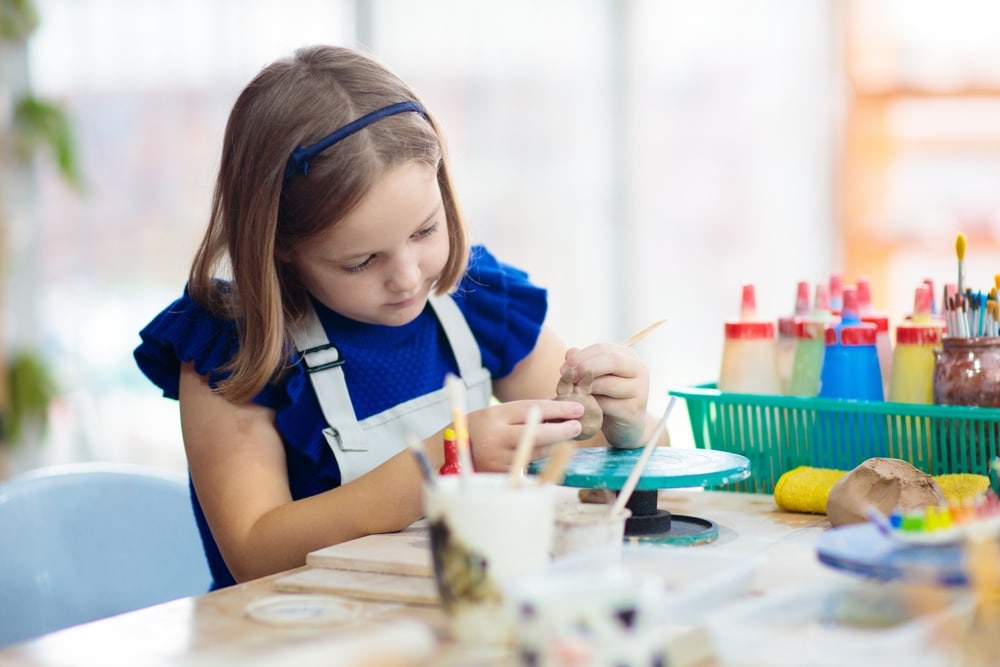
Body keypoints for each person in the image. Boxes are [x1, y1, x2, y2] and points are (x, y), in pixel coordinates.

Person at [134, 44, 659, 590]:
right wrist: (449, 457)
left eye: (425, 231)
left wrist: (624, 427)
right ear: (279, 245)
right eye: (361, 261)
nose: (408, 277)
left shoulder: (476, 300)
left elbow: (604, 474)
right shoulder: (233, 345)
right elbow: (255, 552)